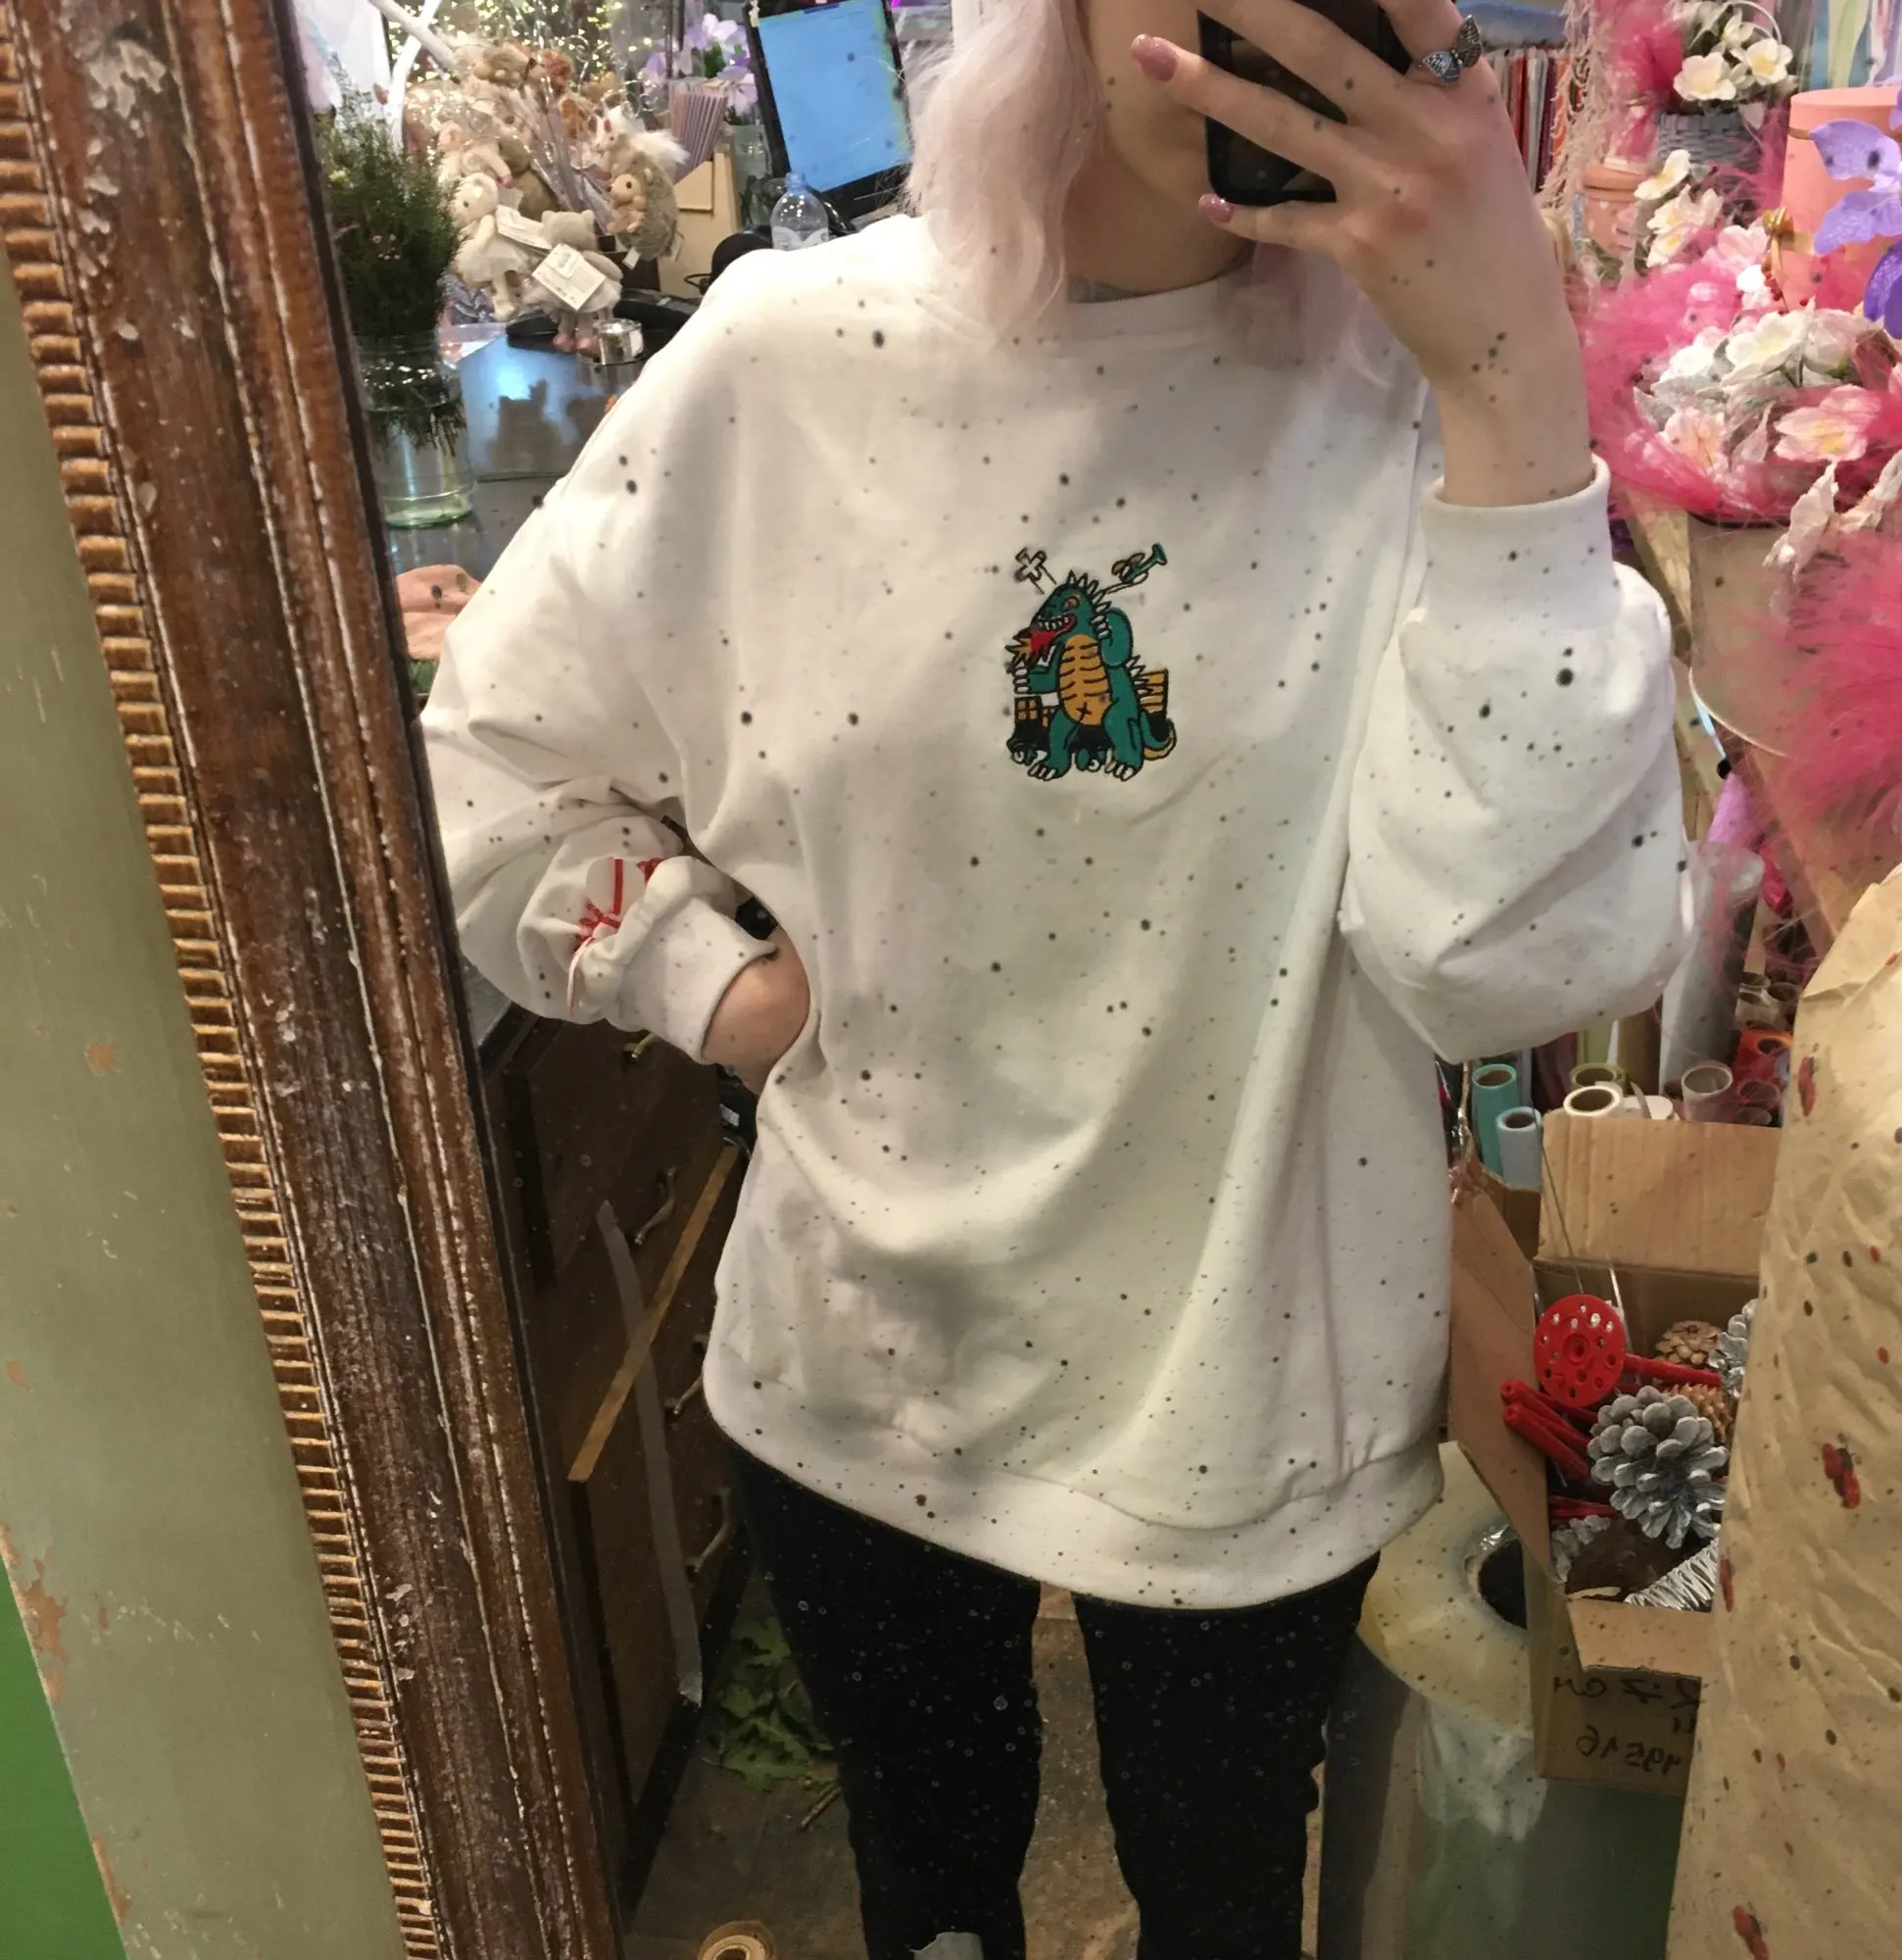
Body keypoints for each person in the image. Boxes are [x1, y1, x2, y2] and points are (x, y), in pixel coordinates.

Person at [422, 0, 1687, 1953]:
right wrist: (716, 985)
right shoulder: (790, 362)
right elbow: (489, 769)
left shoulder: (1425, 404)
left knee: (1220, 1907)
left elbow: (1500, 967)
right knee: (930, 1896)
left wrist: (1517, 386)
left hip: (1252, 1384)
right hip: (865, 1362)